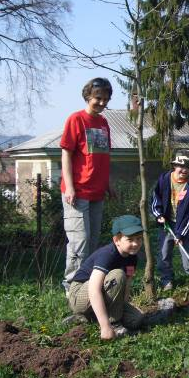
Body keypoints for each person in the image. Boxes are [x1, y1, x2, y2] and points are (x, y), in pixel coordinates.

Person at [60, 77, 114, 291]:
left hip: (97, 192)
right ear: (88, 97)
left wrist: (108, 183)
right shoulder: (76, 119)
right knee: (78, 244)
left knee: (91, 244)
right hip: (78, 192)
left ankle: (87, 290)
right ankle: (72, 289)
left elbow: (102, 156)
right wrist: (70, 186)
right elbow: (66, 154)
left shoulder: (103, 123)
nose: (101, 103)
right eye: (97, 98)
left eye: (105, 99)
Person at [66, 215, 145, 340]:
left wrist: (125, 307)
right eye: (130, 239)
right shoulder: (107, 254)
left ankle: (88, 317)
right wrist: (105, 326)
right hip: (80, 293)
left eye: (139, 239)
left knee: (136, 319)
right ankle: (112, 323)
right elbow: (93, 289)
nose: (136, 243)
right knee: (118, 275)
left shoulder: (132, 257)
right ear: (116, 240)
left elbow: (126, 285)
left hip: (101, 291)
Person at [151, 149, 189, 290]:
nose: (184, 170)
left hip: (183, 225)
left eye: (188, 167)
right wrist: (158, 214)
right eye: (181, 166)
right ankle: (166, 279)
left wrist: (181, 234)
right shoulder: (164, 179)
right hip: (165, 223)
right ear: (174, 166)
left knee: (188, 252)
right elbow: (155, 198)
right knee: (164, 252)